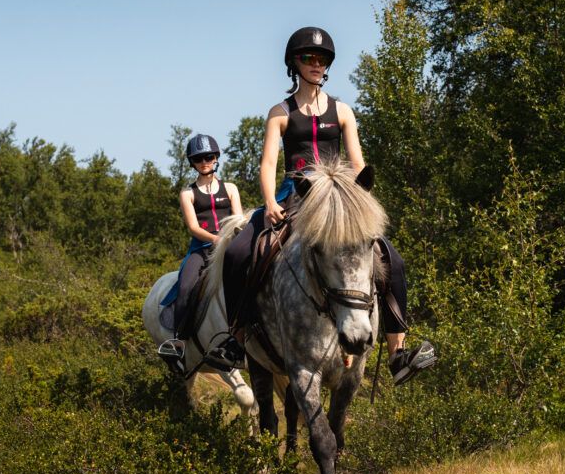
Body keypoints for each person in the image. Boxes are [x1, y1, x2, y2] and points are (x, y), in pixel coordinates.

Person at [219, 26, 436, 385]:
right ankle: (235, 340)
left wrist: (361, 202)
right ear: (295, 64)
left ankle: (398, 353)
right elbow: (268, 164)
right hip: (296, 195)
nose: (317, 64)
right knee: (240, 252)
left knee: (390, 258)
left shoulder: (344, 111)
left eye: (322, 59)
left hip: (337, 201)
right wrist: (271, 201)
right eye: (309, 58)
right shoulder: (280, 112)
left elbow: (358, 163)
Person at [157, 135, 243, 370]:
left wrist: (231, 240)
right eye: (199, 158)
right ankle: (178, 342)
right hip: (201, 250)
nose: (205, 161)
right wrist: (218, 239)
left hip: (229, 248)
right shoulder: (188, 193)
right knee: (185, 287)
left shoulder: (231, 188)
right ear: (192, 162)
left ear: (216, 158)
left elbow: (239, 219)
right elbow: (194, 228)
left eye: (209, 156)